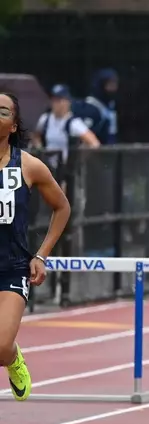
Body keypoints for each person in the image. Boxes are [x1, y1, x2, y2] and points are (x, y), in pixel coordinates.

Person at [0, 91, 72, 400]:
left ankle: (13, 357)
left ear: (14, 126)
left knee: (1, 346)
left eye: (2, 111)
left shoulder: (29, 166)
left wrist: (41, 254)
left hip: (12, 267)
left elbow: (62, 207)